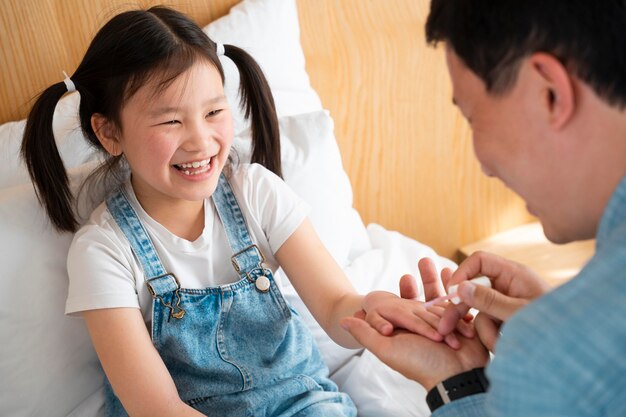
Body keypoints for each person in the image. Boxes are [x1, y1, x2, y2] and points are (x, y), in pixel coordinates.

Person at [20, 6, 448, 417]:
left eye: (213, 112)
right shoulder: (103, 250)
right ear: (109, 132)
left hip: (301, 403)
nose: (200, 140)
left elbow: (337, 305)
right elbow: (157, 408)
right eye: (171, 121)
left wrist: (375, 312)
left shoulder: (256, 192)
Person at [341, 0, 626, 415]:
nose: (484, 165)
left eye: (474, 118)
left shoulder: (555, 355)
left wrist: (460, 385)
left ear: (549, 93)